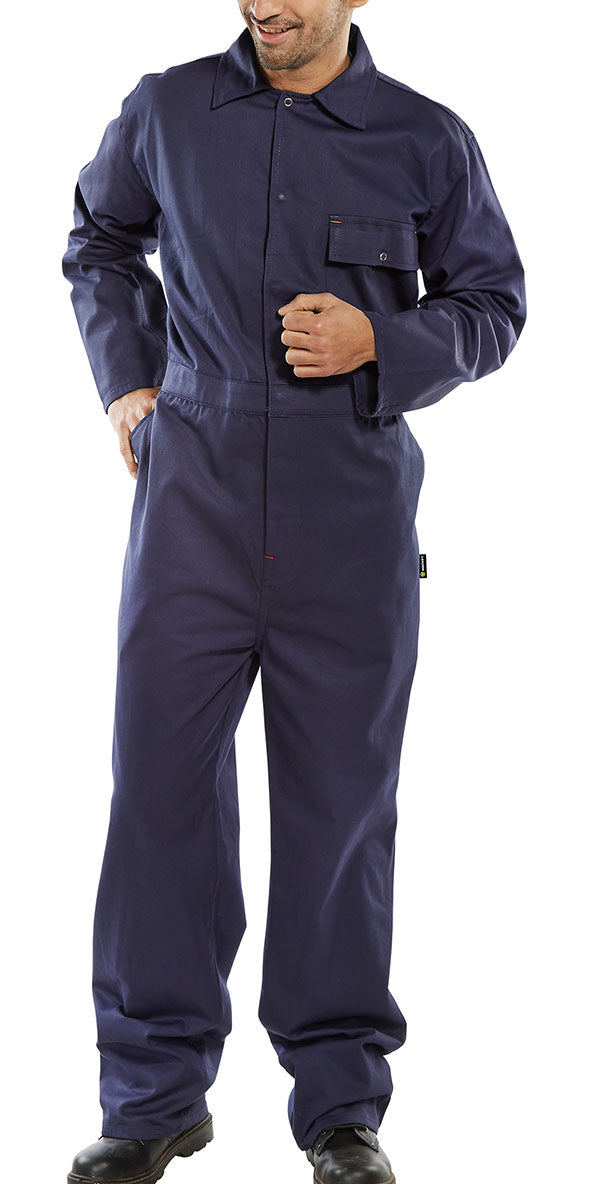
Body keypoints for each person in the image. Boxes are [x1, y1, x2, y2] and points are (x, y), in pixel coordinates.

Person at [61, 3, 526, 1182]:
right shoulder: (168, 109)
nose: (266, 4)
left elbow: (494, 304)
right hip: (194, 501)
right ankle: (153, 1097)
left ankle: (339, 1106)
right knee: (158, 790)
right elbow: (99, 238)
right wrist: (127, 380)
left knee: (340, 809)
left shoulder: (425, 138)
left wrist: (381, 342)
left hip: (350, 508)